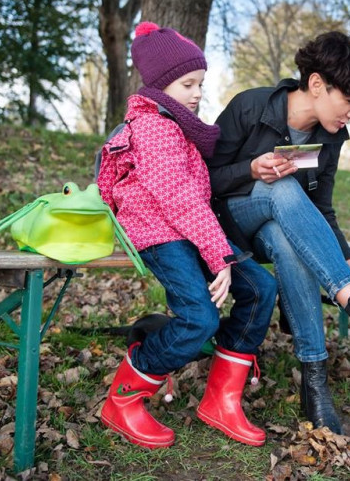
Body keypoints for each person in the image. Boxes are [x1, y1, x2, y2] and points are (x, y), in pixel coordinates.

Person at [206, 31, 350, 434]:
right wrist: (250, 171)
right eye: (349, 102)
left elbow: (321, 207)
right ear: (316, 84)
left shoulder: (330, 137)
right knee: (280, 184)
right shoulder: (251, 106)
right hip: (226, 224)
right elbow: (201, 180)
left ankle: (315, 384)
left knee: (286, 240)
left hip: (276, 228)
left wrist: (344, 255)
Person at [96, 22, 277, 449]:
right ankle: (123, 399)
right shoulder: (154, 127)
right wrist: (220, 256)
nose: (197, 93)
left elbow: (195, 197)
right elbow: (178, 199)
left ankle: (221, 398)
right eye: (187, 83)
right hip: (159, 232)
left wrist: (222, 252)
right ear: (161, 85)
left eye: (200, 83)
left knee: (261, 287)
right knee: (199, 319)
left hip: (189, 229)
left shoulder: (176, 123)